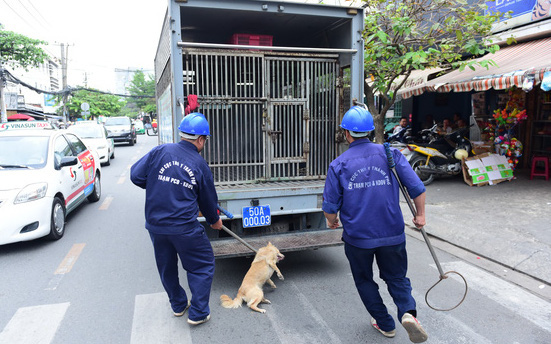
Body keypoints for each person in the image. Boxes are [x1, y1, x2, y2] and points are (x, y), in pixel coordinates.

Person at [322, 106, 428, 343]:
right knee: (397, 277)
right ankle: (408, 313)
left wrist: (332, 221)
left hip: (358, 238)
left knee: (364, 280)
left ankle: (385, 323)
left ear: (347, 133)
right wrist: (420, 215)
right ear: (370, 131)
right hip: (392, 233)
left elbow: (330, 206)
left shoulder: (338, 164)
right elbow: (417, 187)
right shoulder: (390, 154)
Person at [130, 112, 223, 326]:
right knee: (202, 265)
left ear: (182, 134)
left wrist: (158, 184)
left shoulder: (160, 151)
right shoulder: (200, 165)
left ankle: (179, 305)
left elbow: (136, 175)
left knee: (167, 267)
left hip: (156, 227)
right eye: (205, 140)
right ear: (201, 139)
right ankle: (198, 313)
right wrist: (214, 220)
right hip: (184, 228)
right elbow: (209, 201)